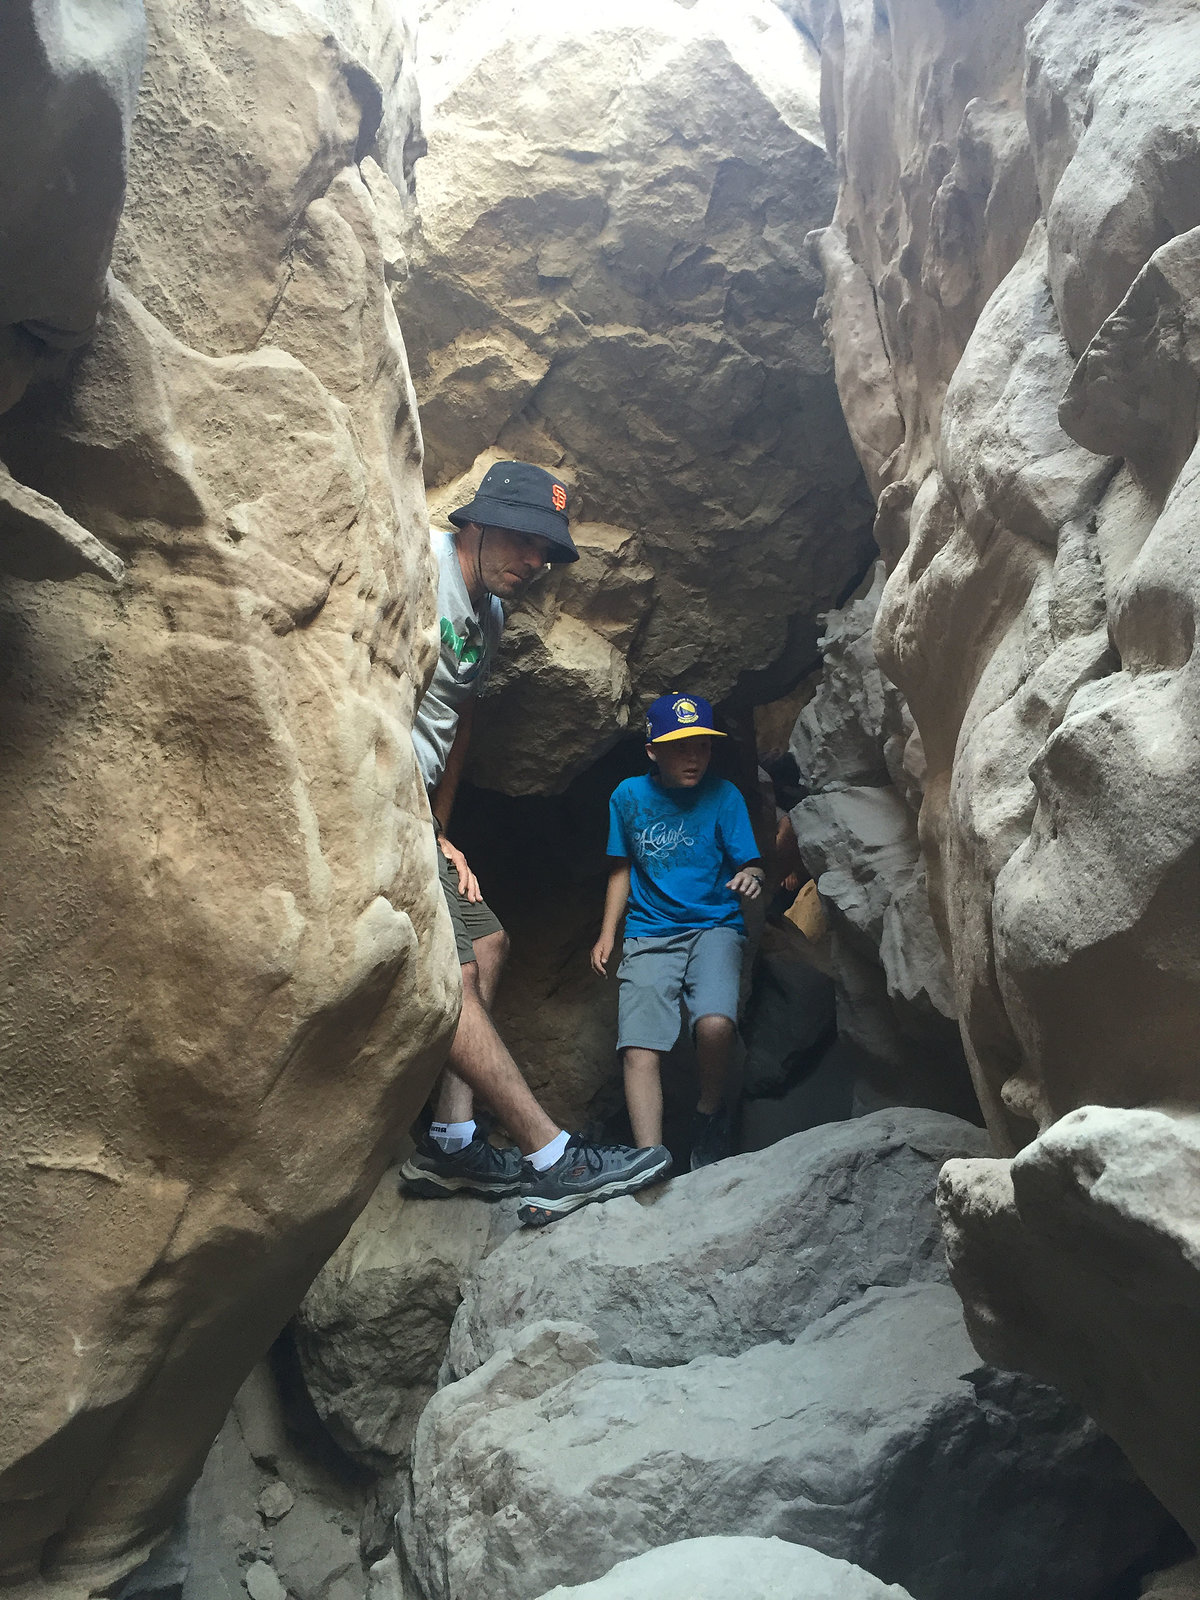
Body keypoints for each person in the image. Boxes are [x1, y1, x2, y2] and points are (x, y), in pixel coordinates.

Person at [401, 460, 671, 1226]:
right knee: (449, 975)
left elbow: (459, 727)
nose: (533, 563)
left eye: (546, 553)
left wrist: (440, 830)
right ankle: (550, 1156)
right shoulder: (418, 565)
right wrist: (408, 822)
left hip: (416, 814)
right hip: (370, 801)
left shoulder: (486, 616)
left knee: (487, 946)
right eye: (523, 542)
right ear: (476, 524)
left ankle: (450, 1146)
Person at [590, 693, 765, 1169]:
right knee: (639, 1046)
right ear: (653, 750)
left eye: (703, 747)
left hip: (715, 925)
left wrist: (753, 876)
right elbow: (621, 867)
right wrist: (609, 933)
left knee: (714, 1024)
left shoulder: (723, 796)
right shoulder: (628, 797)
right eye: (681, 747)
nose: (694, 758)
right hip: (649, 930)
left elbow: (750, 863)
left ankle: (709, 1111)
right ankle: (650, 1159)